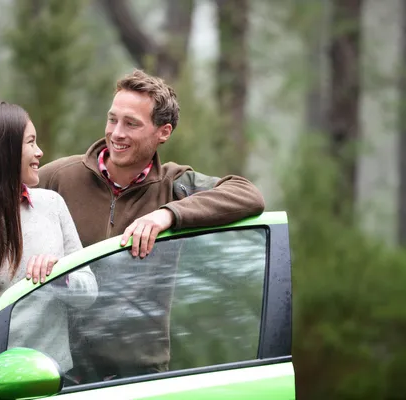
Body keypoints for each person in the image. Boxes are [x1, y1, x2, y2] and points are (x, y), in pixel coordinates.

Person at [33, 69, 265, 382]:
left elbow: (248, 194)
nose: (116, 133)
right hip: (64, 368)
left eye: (131, 124)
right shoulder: (60, 177)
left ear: (163, 132)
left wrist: (168, 214)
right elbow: (1, 207)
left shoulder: (175, 185)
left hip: (141, 373)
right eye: (112, 119)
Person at [0, 100, 97, 400]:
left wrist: (61, 276)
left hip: (56, 383)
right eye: (30, 142)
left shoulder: (52, 205)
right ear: (3, 152)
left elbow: (89, 292)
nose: (40, 152)